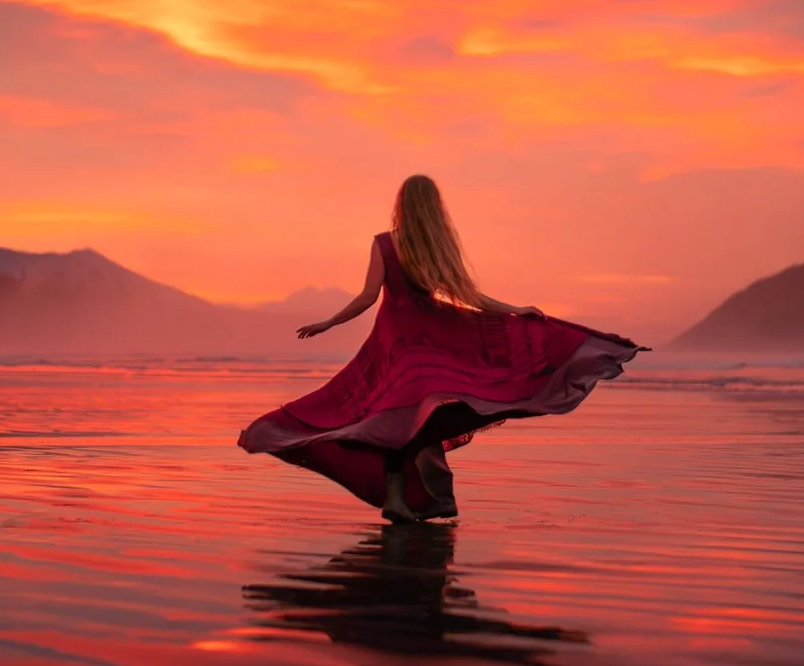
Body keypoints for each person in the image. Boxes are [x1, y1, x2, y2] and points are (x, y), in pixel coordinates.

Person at [238, 175, 642, 522]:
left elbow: (367, 297)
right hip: (429, 340)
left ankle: (401, 499)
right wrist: (514, 309)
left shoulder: (385, 242)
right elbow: (470, 295)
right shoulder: (437, 245)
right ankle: (410, 499)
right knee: (426, 413)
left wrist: (328, 322)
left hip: (396, 345)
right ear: (434, 207)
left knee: (385, 416)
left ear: (401, 205)